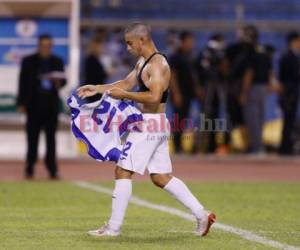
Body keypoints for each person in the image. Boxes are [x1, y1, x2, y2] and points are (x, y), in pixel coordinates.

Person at [77, 23, 215, 237]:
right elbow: (125, 83)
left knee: (122, 170)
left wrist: (126, 96)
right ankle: (202, 215)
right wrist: (97, 88)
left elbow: (154, 97)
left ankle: (113, 228)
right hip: (155, 123)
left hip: (148, 124)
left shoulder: (158, 64)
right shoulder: (144, 61)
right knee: (160, 177)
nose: (128, 48)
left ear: (142, 40)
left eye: (130, 43)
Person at [17, 34, 66, 179]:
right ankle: (29, 168)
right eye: (43, 45)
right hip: (33, 106)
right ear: (38, 46)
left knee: (51, 139)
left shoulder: (57, 61)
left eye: (48, 45)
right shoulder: (28, 61)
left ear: (51, 46)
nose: (46, 48)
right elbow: (22, 83)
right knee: (32, 139)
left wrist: (59, 82)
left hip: (51, 106)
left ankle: (52, 169)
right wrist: (21, 103)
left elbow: (63, 81)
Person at [240, 26, 273, 154]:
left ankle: (256, 147)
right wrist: (270, 84)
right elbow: (270, 71)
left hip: (253, 88)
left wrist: (243, 92)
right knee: (260, 117)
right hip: (264, 88)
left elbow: (249, 73)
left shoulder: (251, 52)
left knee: (252, 118)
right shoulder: (263, 51)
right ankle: (259, 145)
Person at [169, 31, 199, 153]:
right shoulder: (175, 57)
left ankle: (181, 145)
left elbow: (193, 75)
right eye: (189, 41)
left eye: (192, 41)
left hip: (189, 93)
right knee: (178, 119)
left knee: (185, 119)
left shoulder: (190, 56)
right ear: (182, 42)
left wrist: (197, 88)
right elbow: (173, 76)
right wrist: (176, 93)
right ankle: (177, 146)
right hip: (179, 94)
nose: (191, 44)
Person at [278, 32, 300, 155]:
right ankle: (284, 148)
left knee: (290, 120)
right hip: (288, 92)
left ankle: (287, 146)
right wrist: (285, 93)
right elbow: (283, 77)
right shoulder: (287, 56)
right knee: (287, 120)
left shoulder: (295, 56)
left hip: (293, 91)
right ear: (293, 41)